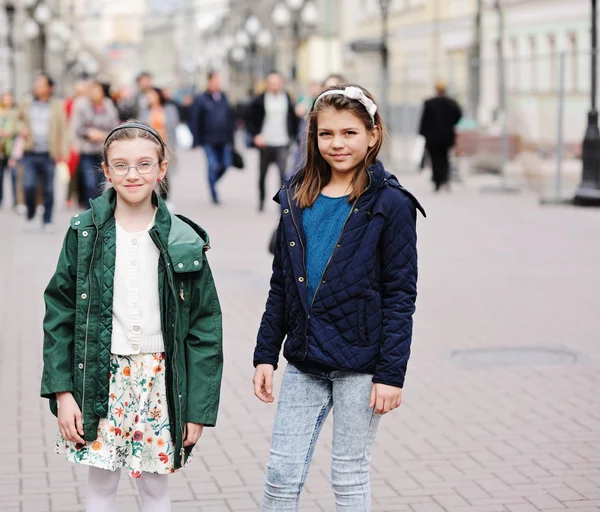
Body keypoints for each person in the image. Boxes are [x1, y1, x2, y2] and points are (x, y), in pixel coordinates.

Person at [252, 84, 425, 510]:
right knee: (280, 473)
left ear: (372, 134)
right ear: (313, 138)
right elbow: (281, 285)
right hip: (305, 361)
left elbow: (401, 294)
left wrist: (391, 374)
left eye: (349, 132)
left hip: (361, 364)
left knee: (348, 475)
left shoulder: (391, 204)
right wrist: (264, 354)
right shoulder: (296, 198)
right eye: (326, 133)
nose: (337, 143)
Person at [41, 121, 224, 512]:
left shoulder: (184, 239)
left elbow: (204, 328)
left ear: (162, 168)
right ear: (106, 171)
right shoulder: (85, 232)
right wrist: (62, 391)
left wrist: (197, 409)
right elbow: (59, 313)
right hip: (98, 378)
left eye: (144, 164)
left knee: (156, 491)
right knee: (102, 486)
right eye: (120, 165)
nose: (133, 174)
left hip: (160, 380)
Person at [17, 73, 68, 231]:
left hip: (48, 154)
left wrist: (63, 153)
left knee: (48, 189)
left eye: (41, 84)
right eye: (36, 83)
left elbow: (62, 130)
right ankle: (31, 214)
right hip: (30, 152)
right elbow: (17, 120)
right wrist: (22, 129)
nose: (37, 87)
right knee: (28, 185)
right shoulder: (27, 103)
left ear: (49, 88)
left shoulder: (56, 106)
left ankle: (47, 220)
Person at [245, 71, 298, 212]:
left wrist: (293, 136)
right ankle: (261, 201)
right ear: (267, 84)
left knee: (282, 174)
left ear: (281, 83)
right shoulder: (260, 100)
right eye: (271, 83)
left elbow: (292, 119)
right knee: (263, 174)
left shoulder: (287, 98)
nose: (274, 86)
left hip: (283, 142)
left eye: (277, 82)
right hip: (265, 143)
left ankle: (281, 204)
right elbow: (249, 119)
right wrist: (256, 135)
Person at [190, 72, 235, 205]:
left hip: (224, 138)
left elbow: (230, 119)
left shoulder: (224, 98)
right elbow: (195, 120)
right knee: (213, 165)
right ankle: (213, 191)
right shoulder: (201, 99)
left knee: (226, 164)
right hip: (208, 139)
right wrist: (196, 140)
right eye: (215, 81)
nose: (217, 84)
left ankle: (212, 181)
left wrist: (231, 139)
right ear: (209, 82)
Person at [71, 79, 119, 204]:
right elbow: (76, 128)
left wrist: (102, 135)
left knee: (102, 184)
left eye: (98, 90)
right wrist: (89, 133)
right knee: (89, 182)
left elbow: (115, 128)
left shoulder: (109, 105)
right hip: (87, 150)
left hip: (104, 151)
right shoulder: (81, 105)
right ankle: (90, 211)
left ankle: (99, 212)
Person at [418, 81, 462, 192]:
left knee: (434, 159)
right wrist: (451, 125)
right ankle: (444, 179)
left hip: (432, 137)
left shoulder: (429, 103)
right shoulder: (451, 103)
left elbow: (424, 120)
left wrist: (422, 133)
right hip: (446, 137)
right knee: (444, 157)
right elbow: (458, 115)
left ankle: (437, 180)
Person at [140, 87, 180, 205]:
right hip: (149, 146)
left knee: (164, 173)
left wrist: (173, 145)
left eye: (152, 95)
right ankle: (150, 199)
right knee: (150, 172)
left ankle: (165, 199)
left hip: (165, 145)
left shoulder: (169, 109)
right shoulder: (145, 112)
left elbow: (173, 127)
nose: (149, 98)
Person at [0, 91, 20, 210]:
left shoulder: (16, 113)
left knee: (14, 176)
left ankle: (16, 201)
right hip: (1, 149)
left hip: (12, 149)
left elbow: (18, 128)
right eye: (5, 98)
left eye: (9, 99)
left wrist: (10, 132)